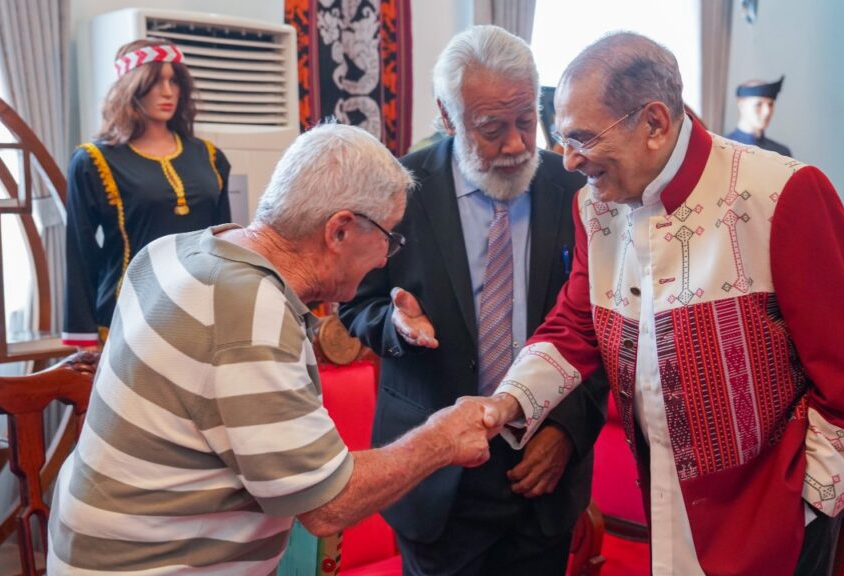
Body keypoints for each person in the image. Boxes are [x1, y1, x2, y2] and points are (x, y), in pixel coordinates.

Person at [481, 32, 844, 576]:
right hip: (665, 497)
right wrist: (505, 403)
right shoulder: (595, 208)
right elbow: (576, 326)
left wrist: (806, 503)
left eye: (582, 138)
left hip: (775, 513)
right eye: (560, 137)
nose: (568, 159)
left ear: (653, 123)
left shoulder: (781, 193)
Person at [48, 123, 499, 573]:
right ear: (339, 231)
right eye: (389, 236)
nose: (386, 257)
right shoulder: (249, 311)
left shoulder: (169, 251)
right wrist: (441, 438)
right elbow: (328, 504)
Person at [339, 25, 609, 576]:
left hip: (544, 475)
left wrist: (567, 428)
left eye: (526, 121)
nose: (515, 145)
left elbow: (605, 323)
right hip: (436, 478)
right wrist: (394, 326)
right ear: (447, 116)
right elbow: (354, 304)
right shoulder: (396, 191)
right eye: (491, 128)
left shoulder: (579, 191)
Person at [62, 39, 231, 348]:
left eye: (174, 81)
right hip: (130, 313)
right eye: (155, 82)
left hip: (204, 308)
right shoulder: (93, 161)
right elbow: (80, 252)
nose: (167, 92)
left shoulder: (209, 157)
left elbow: (224, 244)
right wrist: (84, 338)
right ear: (132, 88)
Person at [726, 75, 793, 156]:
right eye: (759, 104)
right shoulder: (724, 148)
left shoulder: (781, 153)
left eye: (770, 104)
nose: (767, 112)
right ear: (741, 105)